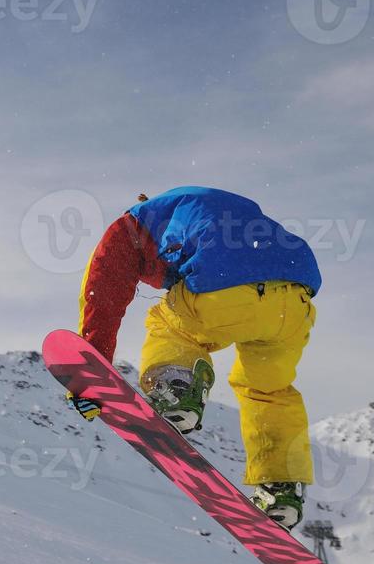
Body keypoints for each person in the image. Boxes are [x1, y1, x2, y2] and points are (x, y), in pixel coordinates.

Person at [68, 187, 321, 529]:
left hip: (229, 276)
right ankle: (281, 487)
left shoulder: (128, 229)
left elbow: (103, 295)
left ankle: (177, 388)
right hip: (295, 298)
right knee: (268, 390)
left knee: (168, 323)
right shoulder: (201, 210)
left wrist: (90, 375)